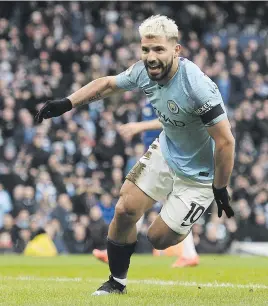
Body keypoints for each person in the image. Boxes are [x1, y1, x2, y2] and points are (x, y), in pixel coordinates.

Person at [35, 15, 235, 296]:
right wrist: (67, 103)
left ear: (176, 50)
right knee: (125, 208)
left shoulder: (197, 87)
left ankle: (183, 222)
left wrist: (221, 186)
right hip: (168, 150)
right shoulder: (143, 72)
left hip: (200, 175)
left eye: (158, 50)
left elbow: (225, 141)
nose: (150, 57)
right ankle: (117, 283)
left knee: (158, 238)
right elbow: (107, 84)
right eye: (145, 50)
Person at [93, 116, 200, 268]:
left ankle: (116, 251)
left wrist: (140, 126)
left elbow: (174, 120)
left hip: (173, 156)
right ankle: (189, 254)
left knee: (140, 202)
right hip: (171, 155)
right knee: (145, 204)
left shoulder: (180, 97)